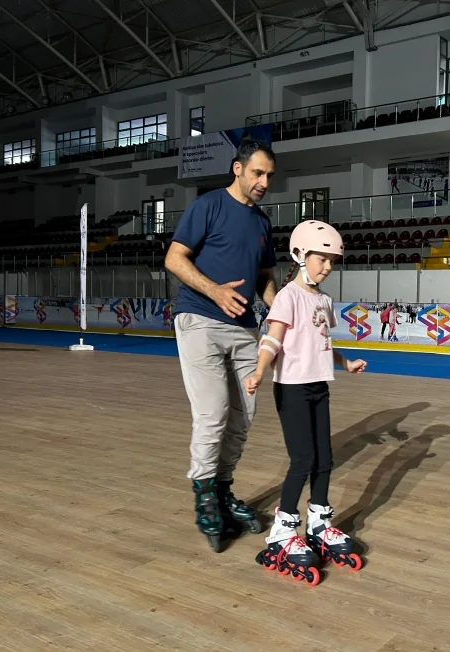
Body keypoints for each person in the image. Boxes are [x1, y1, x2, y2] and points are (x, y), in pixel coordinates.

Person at [165, 139, 278, 553]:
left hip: (245, 328)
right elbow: (174, 259)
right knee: (212, 414)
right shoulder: (208, 205)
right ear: (237, 168)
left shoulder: (262, 222)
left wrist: (284, 309)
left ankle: (223, 488)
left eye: (268, 176)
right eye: (257, 173)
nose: (263, 182)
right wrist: (213, 290)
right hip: (199, 320)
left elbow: (266, 276)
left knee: (243, 416)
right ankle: (204, 496)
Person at [244, 220, 367, 586]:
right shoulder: (288, 297)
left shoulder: (324, 301)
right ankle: (283, 530)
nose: (327, 267)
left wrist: (346, 363)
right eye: (322, 259)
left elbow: (322, 344)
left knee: (325, 459)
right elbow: (273, 338)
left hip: (319, 386)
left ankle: (319, 523)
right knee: (302, 460)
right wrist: (259, 371)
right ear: (300, 255)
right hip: (293, 387)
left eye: (332, 261)